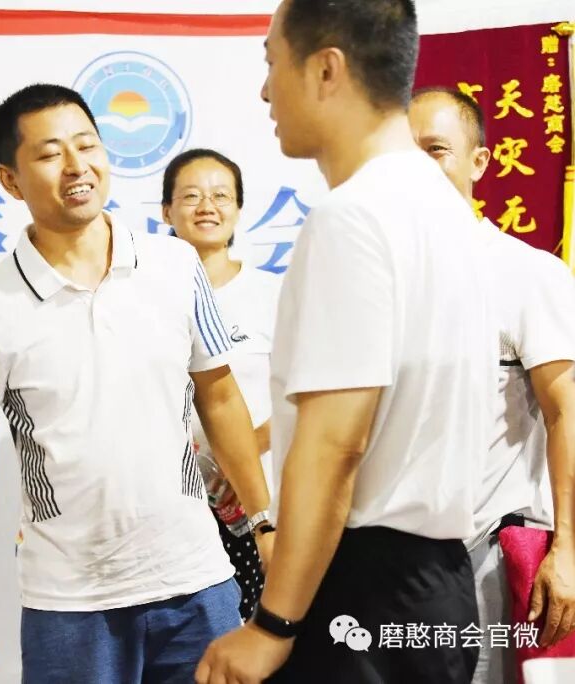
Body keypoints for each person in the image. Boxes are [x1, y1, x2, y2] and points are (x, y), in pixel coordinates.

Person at [195, 1, 495, 682]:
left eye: (272, 63)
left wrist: (273, 624)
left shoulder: (353, 216)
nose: (265, 91)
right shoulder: (444, 206)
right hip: (437, 583)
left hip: (363, 590)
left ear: (326, 69)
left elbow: (336, 445)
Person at [0, 83, 275, 683]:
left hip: (198, 582)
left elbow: (220, 396)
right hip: (69, 601)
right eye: (49, 154)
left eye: (87, 145)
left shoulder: (174, 265)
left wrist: (263, 524)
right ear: (10, 180)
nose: (77, 166)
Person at [410, 86, 575, 684]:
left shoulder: (527, 273)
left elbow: (565, 413)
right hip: (390, 565)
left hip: (485, 562)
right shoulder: (378, 279)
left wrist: (568, 549)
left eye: (436, 150)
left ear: (479, 161)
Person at [161, 148, 283, 619]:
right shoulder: (146, 297)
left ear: (238, 208)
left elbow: (302, 397)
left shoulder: (273, 295)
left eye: (220, 196)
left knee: (262, 632)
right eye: (191, 196)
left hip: (261, 502)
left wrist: (239, 458)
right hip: (174, 505)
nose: (206, 207)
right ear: (166, 211)